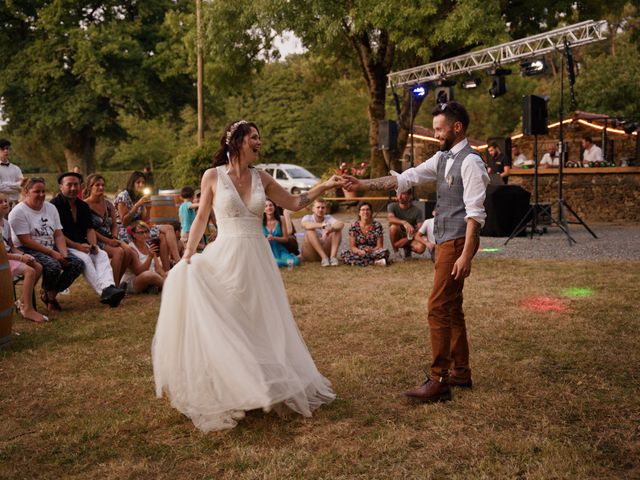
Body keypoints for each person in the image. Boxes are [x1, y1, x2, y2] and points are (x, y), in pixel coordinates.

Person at [152, 120, 337, 432]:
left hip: (257, 258)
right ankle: (229, 386)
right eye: (254, 137)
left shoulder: (261, 176)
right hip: (225, 253)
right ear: (236, 141)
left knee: (258, 319)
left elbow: (293, 203)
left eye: (259, 138)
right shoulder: (213, 176)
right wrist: (187, 255)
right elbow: (200, 218)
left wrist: (325, 186)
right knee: (227, 317)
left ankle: (260, 382)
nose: (259, 143)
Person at [343, 101, 490, 403]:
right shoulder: (442, 158)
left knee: (437, 308)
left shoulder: (471, 162)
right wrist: (362, 183)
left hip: (458, 242)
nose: (436, 134)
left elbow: (475, 214)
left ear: (457, 127)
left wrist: (465, 255)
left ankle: (439, 380)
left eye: (439, 129)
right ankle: (460, 372)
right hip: (448, 241)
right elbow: (405, 178)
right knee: (452, 309)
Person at [8, 177, 84, 312]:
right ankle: (43, 297)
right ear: (27, 191)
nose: (42, 195)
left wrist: (64, 255)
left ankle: (49, 295)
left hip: (50, 245)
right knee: (53, 266)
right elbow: (25, 240)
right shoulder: (18, 212)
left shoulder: (51, 208)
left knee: (76, 263)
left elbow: (58, 234)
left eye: (43, 191)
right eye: (37, 192)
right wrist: (52, 253)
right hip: (26, 248)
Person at [51, 172, 125, 307]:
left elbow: (90, 229)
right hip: (62, 245)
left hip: (82, 243)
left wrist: (93, 245)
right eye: (69, 185)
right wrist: (77, 246)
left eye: (76, 185)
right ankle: (105, 292)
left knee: (100, 254)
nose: (73, 188)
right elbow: (58, 234)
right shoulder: (54, 206)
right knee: (84, 259)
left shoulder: (82, 206)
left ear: (80, 186)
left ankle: (110, 287)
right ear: (61, 186)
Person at [114, 171, 181, 268]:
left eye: (143, 182)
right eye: (138, 182)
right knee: (162, 235)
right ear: (132, 183)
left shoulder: (140, 196)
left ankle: (171, 265)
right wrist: (137, 205)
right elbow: (124, 221)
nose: (141, 185)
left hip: (139, 227)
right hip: (126, 230)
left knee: (168, 228)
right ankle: (173, 264)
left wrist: (149, 209)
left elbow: (144, 221)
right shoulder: (123, 196)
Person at [0, 192, 48, 323]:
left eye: (6, 201)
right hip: (2, 260)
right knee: (29, 270)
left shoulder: (6, 223)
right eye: (0, 202)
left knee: (37, 266)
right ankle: (27, 309)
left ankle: (21, 301)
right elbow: (1, 253)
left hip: (9, 257)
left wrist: (24, 255)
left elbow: (11, 247)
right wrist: (20, 258)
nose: (5, 204)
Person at [83, 174, 132, 286]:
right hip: (94, 239)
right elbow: (89, 229)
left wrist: (114, 238)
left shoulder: (108, 204)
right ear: (90, 187)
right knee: (119, 252)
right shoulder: (84, 205)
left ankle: (116, 283)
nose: (101, 187)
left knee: (129, 251)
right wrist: (108, 241)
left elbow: (115, 225)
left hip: (110, 237)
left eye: (102, 185)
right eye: (97, 185)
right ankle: (111, 287)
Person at [119, 221, 166, 294]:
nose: (145, 235)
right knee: (149, 275)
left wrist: (165, 275)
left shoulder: (148, 245)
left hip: (152, 277)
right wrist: (150, 257)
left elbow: (158, 269)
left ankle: (154, 286)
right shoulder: (131, 249)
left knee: (171, 272)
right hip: (132, 283)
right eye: (141, 233)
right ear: (134, 234)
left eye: (146, 232)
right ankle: (168, 286)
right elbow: (140, 272)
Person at [341, 201, 390, 266]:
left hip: (373, 251)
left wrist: (372, 250)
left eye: (368, 210)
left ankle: (358, 262)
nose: (366, 212)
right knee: (345, 254)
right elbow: (352, 247)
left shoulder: (377, 225)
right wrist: (360, 251)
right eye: (363, 210)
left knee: (384, 252)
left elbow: (379, 246)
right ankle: (375, 262)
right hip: (359, 252)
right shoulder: (354, 226)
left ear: (371, 212)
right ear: (359, 213)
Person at [300, 198, 344, 266]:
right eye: (318, 207)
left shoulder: (328, 218)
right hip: (311, 252)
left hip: (325, 248)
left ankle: (332, 258)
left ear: (326, 209)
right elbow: (305, 225)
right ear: (313, 209)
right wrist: (322, 226)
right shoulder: (307, 217)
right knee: (310, 230)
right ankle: (324, 257)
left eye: (323, 208)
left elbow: (341, 224)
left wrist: (331, 229)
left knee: (337, 230)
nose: (320, 209)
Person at [387, 190, 426, 259]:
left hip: (410, 234)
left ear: (410, 196)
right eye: (398, 194)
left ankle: (407, 250)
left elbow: (421, 229)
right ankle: (396, 252)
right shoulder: (392, 206)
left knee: (421, 248)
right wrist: (405, 222)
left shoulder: (417, 210)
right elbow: (390, 218)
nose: (400, 196)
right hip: (399, 233)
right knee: (393, 227)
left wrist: (410, 237)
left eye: (403, 194)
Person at [263, 198, 300, 268]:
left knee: (295, 262)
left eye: (271, 205)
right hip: (267, 250)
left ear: (274, 207)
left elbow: (286, 239)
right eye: (266, 206)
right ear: (263, 209)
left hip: (280, 249)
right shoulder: (260, 221)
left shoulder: (281, 219)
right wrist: (266, 239)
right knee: (276, 263)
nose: (269, 207)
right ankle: (277, 262)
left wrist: (274, 238)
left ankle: (280, 262)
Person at [0, 138, 24, 208]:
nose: (6, 151)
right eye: (3, 149)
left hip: (16, 205)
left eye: (7, 148)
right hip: (1, 206)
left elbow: (23, 185)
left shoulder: (16, 168)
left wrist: (6, 184)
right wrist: (16, 187)